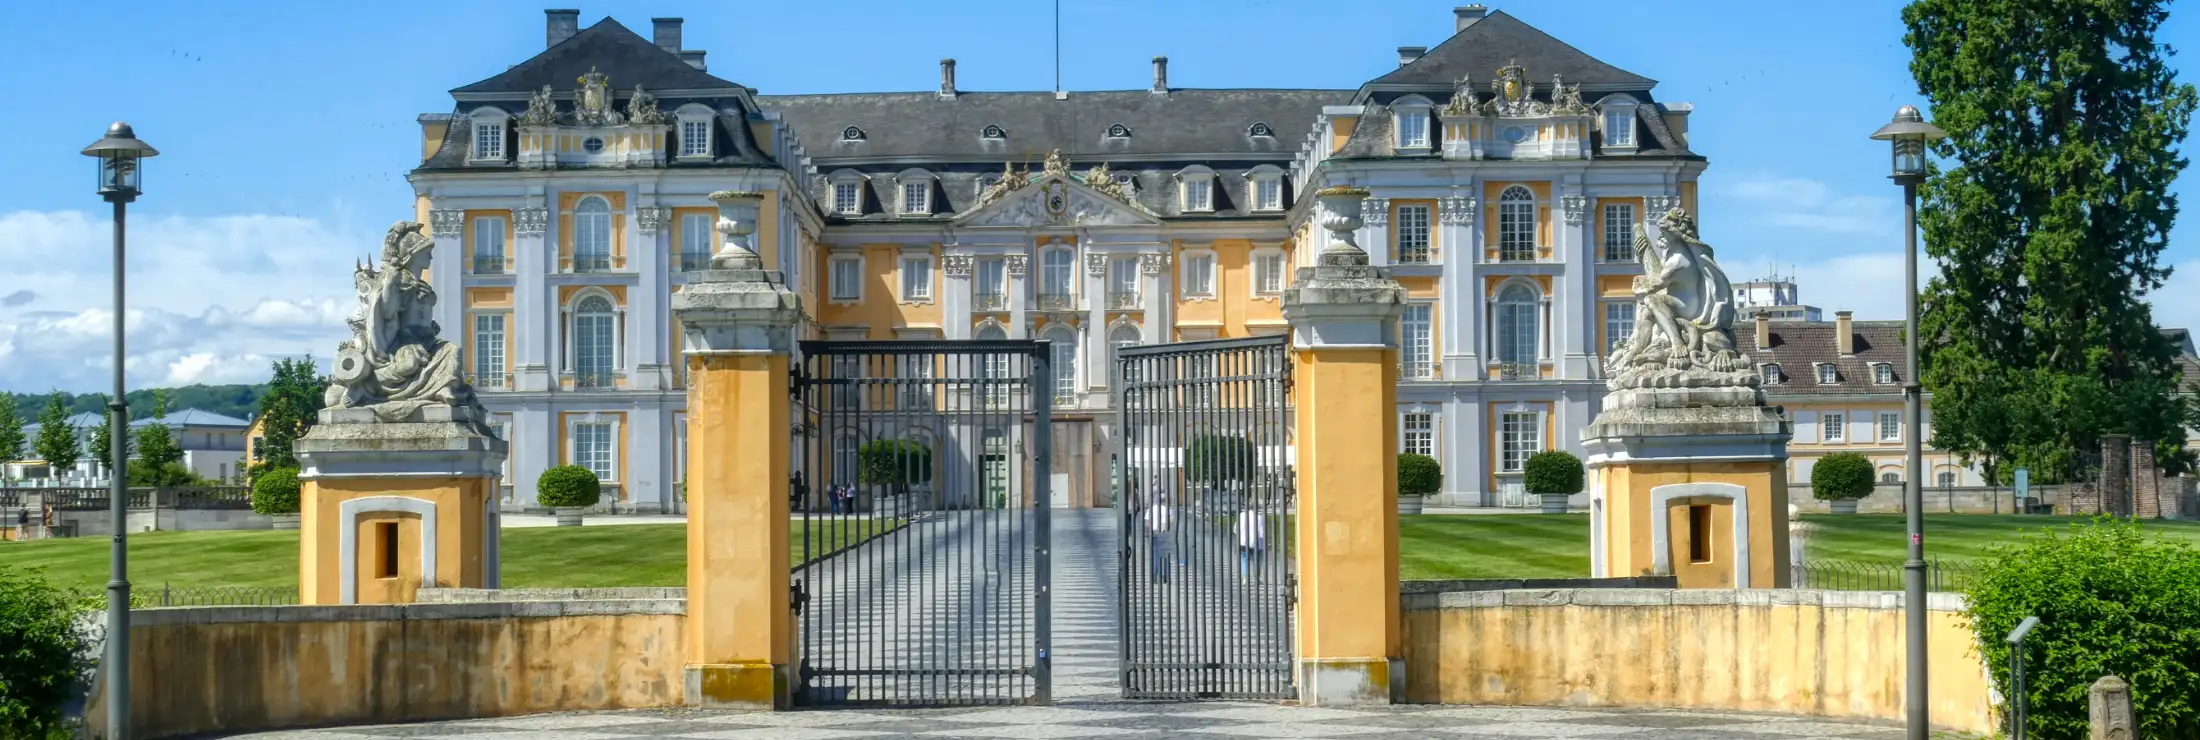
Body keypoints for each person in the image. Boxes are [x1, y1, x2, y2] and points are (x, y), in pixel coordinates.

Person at [1143, 488, 1173, 584]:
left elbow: (1147, 523)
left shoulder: (1150, 509)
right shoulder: (1168, 510)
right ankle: (1166, 576)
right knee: (1165, 555)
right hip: (1163, 533)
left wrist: (1151, 529)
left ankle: (1154, 576)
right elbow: (1171, 522)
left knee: (1155, 554)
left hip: (1153, 533)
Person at [1237, 505, 1267, 581]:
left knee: (1244, 559)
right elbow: (1261, 532)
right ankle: (1257, 578)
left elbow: (1236, 529)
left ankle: (1245, 578)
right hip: (1256, 542)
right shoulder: (1258, 517)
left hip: (1243, 542)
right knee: (1256, 560)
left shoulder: (1241, 516)